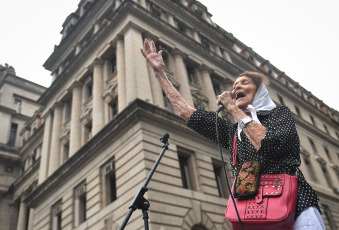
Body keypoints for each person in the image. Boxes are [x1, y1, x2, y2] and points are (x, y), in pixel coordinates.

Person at [141, 39, 325, 229]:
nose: (236, 87)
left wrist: (233, 109)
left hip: (295, 205)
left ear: (260, 91)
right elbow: (186, 112)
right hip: (254, 212)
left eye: (244, 83)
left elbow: (269, 143)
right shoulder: (233, 133)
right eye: (235, 84)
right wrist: (159, 73)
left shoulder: (279, 114)